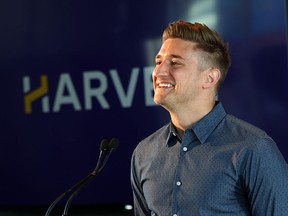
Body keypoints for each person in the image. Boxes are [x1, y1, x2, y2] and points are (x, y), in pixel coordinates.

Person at [130, 20, 288, 216]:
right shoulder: (144, 153)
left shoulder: (254, 148)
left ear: (210, 78)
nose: (158, 72)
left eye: (175, 62)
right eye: (158, 61)